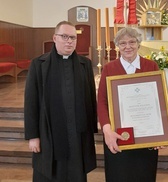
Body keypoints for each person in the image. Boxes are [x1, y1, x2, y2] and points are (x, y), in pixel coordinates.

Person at [24, 21, 98, 182]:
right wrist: (33, 136)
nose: (69, 41)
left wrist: (91, 129)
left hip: (77, 134)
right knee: (48, 172)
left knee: (76, 172)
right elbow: (31, 102)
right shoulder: (39, 64)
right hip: (48, 133)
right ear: (54, 38)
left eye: (73, 37)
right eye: (64, 36)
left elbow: (91, 98)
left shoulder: (84, 64)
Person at [97, 27, 160, 182]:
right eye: (123, 43)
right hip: (117, 134)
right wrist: (106, 130)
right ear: (117, 46)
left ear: (138, 44)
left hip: (146, 135)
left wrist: (160, 133)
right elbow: (102, 101)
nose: (128, 46)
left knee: (144, 174)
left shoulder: (151, 66)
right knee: (118, 175)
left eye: (132, 42)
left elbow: (158, 101)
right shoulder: (109, 68)